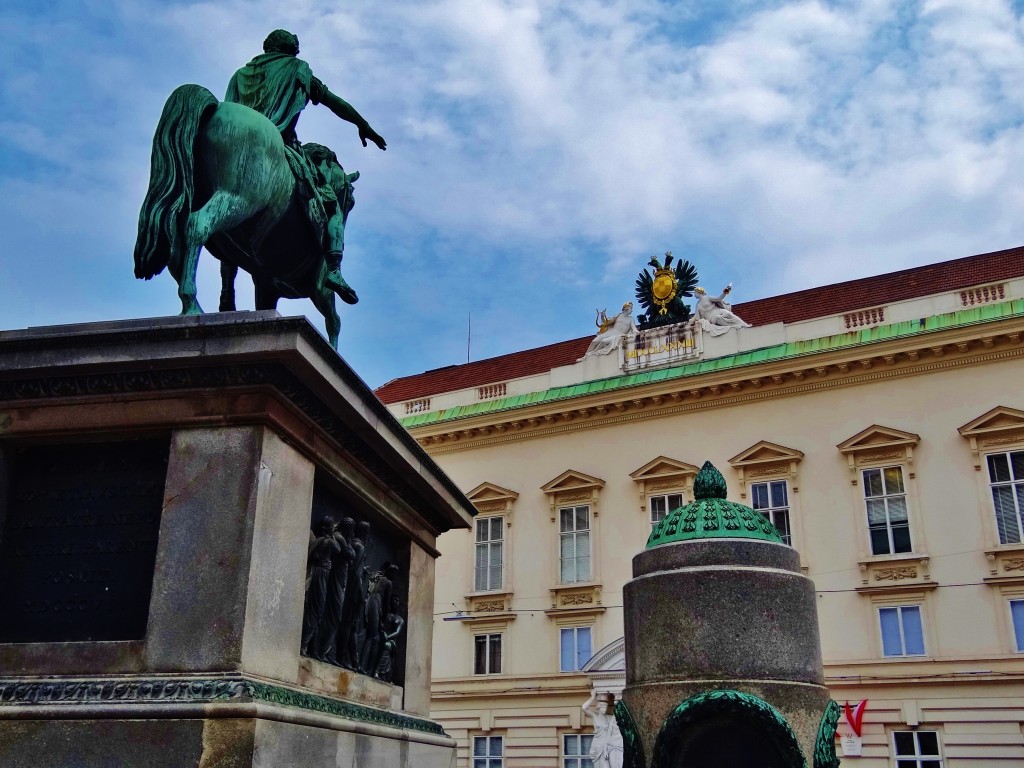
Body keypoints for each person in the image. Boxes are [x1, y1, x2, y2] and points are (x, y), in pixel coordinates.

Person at [224, 29, 386, 302]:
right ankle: (334, 269)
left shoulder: (240, 74)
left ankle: (227, 289)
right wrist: (363, 124)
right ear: (292, 50)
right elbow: (334, 102)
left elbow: (228, 113)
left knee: (225, 210)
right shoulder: (297, 69)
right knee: (332, 202)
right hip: (280, 144)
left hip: (236, 149)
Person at [582, 691, 624, 768]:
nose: (605, 708)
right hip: (597, 743)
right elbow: (584, 708)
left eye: (606, 706)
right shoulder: (595, 716)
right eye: (603, 706)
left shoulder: (609, 718)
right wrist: (592, 697)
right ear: (599, 707)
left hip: (607, 744)